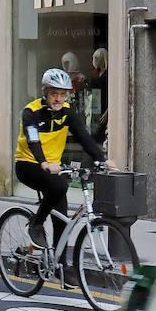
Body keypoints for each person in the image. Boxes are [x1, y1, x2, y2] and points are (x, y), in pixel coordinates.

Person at [16, 68, 111, 248]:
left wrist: (102, 159)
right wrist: (43, 162)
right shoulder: (31, 112)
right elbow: (33, 140)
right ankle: (36, 223)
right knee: (60, 186)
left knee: (62, 218)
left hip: (52, 168)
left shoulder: (68, 112)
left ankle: (60, 266)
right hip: (28, 164)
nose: (58, 99)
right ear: (45, 93)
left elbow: (84, 138)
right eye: (54, 94)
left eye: (62, 94)